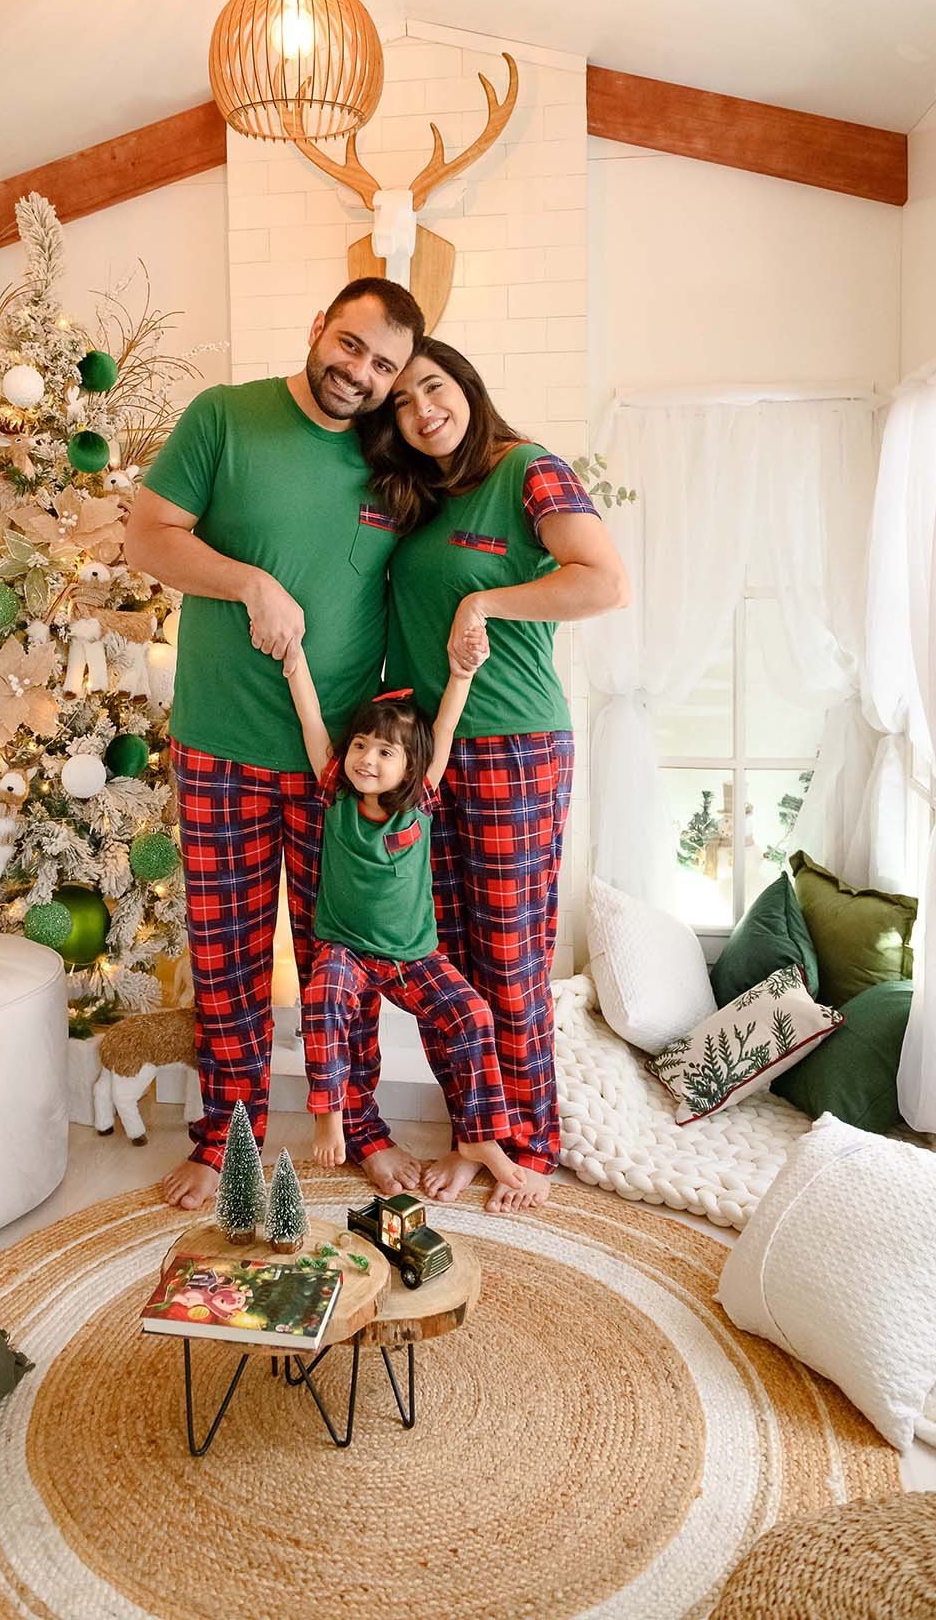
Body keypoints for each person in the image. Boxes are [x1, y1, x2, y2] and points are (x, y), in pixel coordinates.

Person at [123, 279, 426, 1211]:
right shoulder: (225, 417)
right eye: (349, 346)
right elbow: (146, 538)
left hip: (341, 767)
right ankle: (226, 1137)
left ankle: (362, 1126)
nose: (360, 373)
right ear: (316, 329)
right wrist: (248, 580)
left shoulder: (392, 462)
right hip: (219, 746)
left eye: (382, 365)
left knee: (348, 956)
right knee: (227, 956)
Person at [363, 337, 631, 1214]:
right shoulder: (418, 499)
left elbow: (601, 581)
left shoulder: (528, 470)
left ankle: (528, 1141)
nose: (421, 410)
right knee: (445, 963)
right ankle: (474, 1132)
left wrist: (486, 599)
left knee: (509, 959)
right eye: (400, 403)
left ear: (465, 386)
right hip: (428, 752)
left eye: (432, 388)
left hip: (514, 744)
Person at [284, 648, 524, 1197]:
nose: (366, 758)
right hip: (344, 949)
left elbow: (443, 727)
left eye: (384, 751)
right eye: (362, 745)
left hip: (413, 956)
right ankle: (330, 1112)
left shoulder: (418, 802)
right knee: (321, 997)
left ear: (409, 767)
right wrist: (297, 659)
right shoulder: (337, 795)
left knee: (474, 1016)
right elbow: (311, 720)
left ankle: (481, 1136)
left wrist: (461, 674)